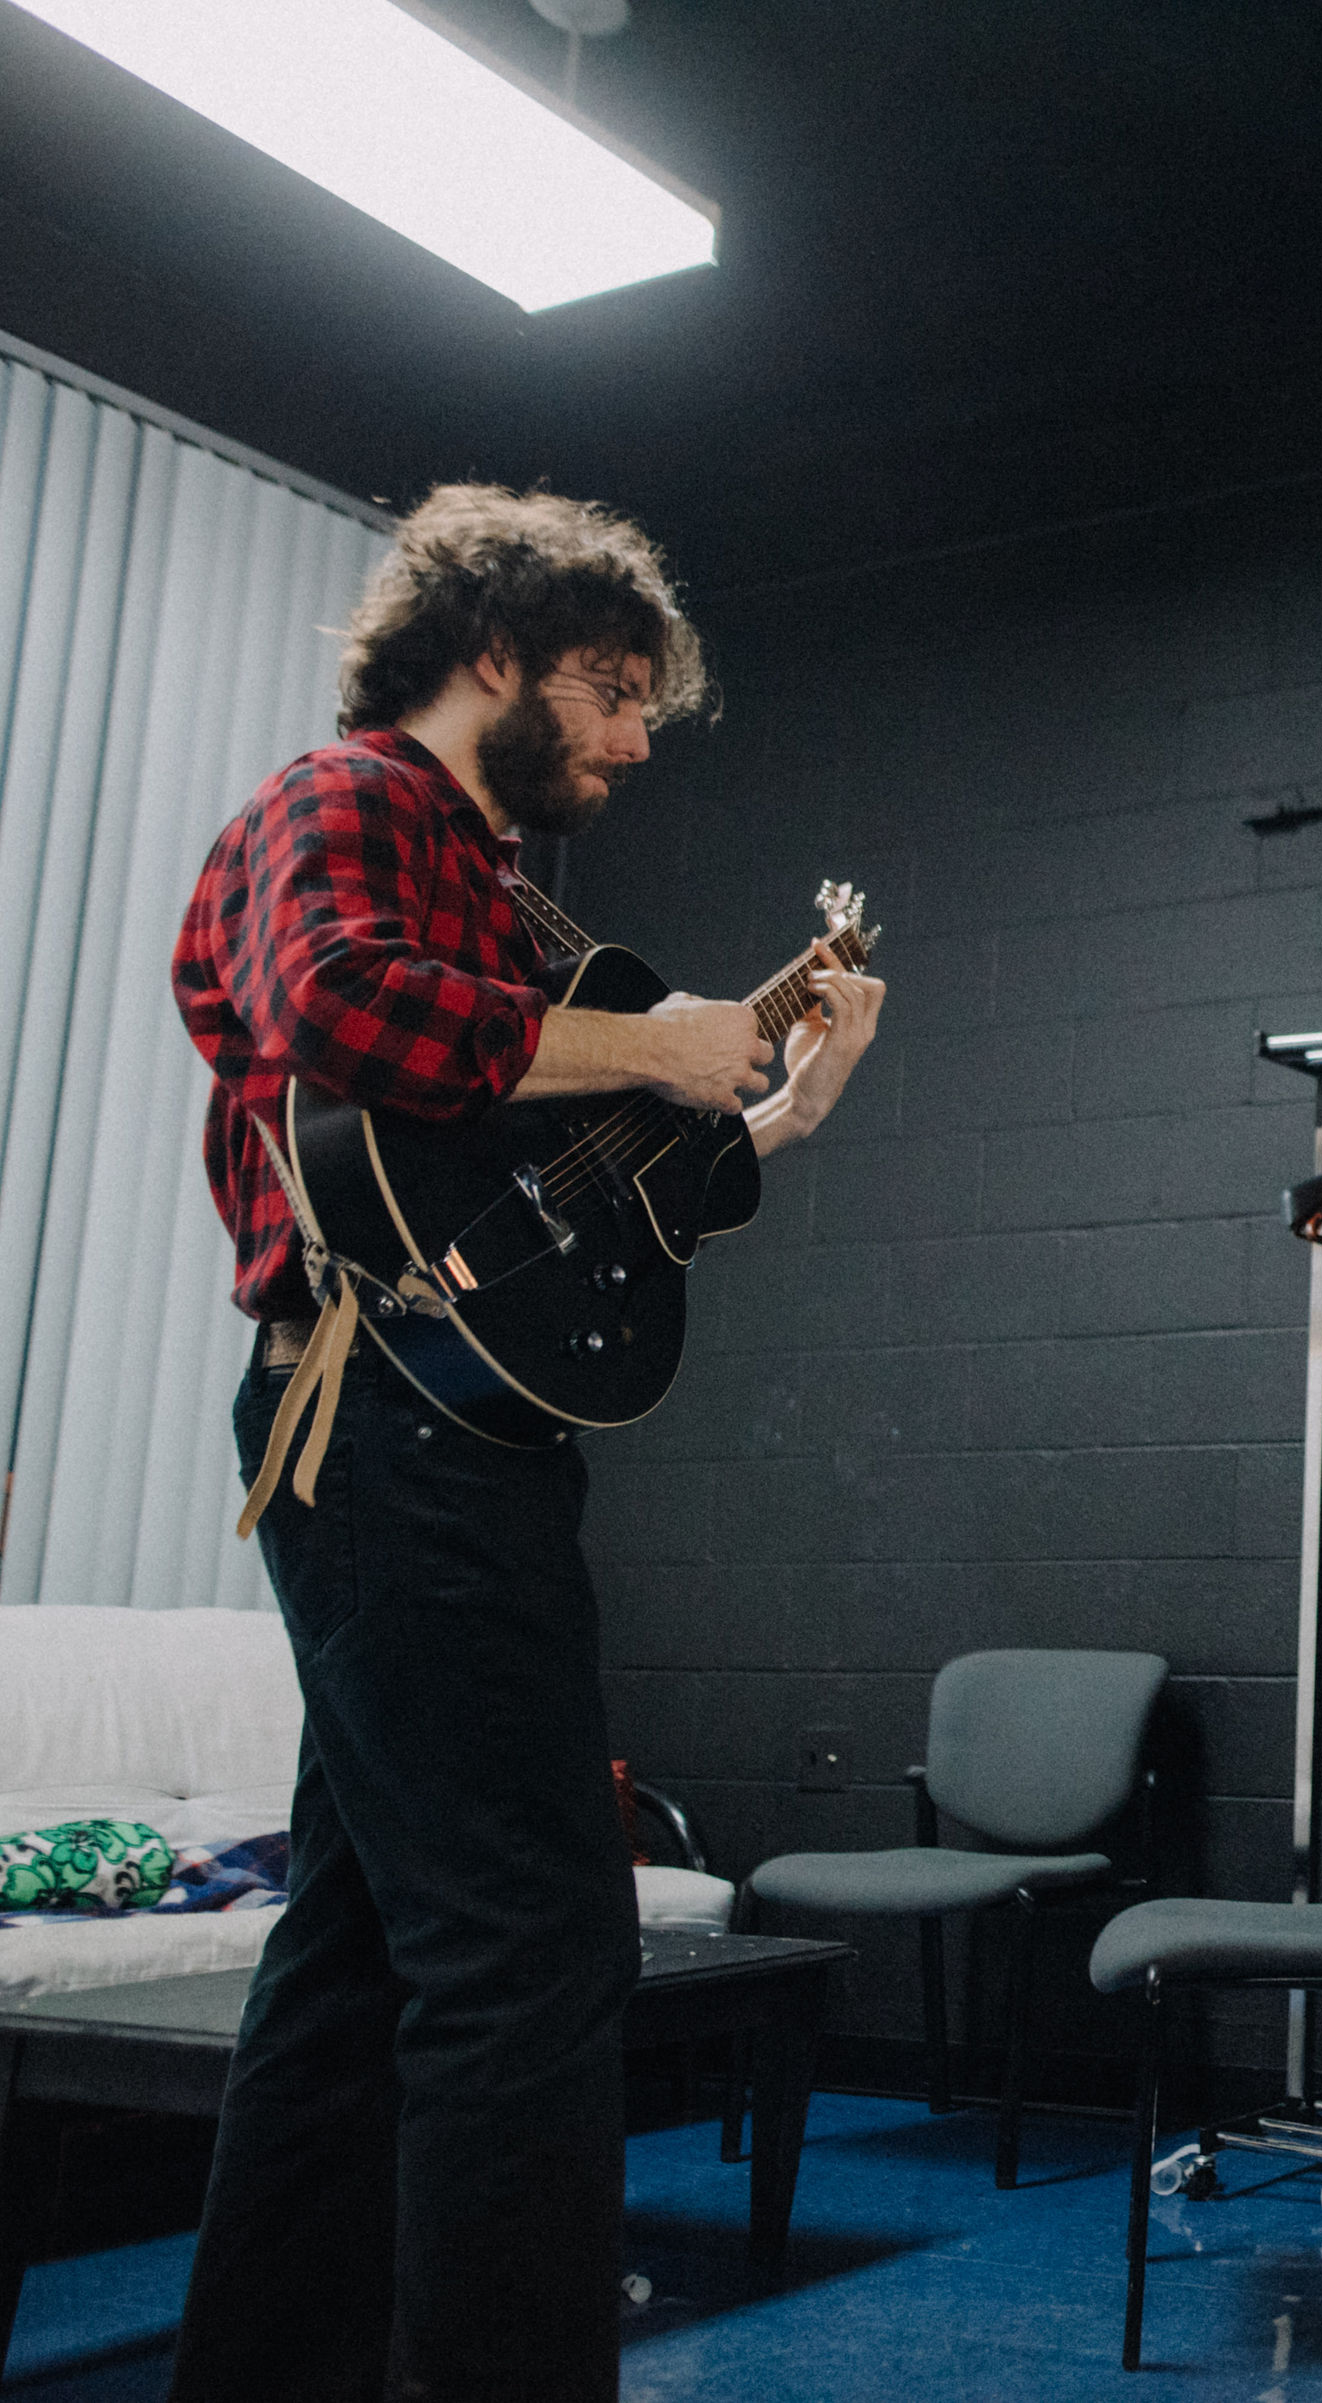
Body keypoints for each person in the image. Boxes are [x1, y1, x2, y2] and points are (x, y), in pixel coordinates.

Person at [165, 484, 884, 2403]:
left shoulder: (497, 890)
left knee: (362, 1958)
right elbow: (338, 1005)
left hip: (435, 1423)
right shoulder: (351, 800)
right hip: (390, 1424)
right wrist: (663, 1042)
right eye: (613, 687)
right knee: (540, 1947)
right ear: (493, 651)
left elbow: (595, 1190)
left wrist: (782, 1101)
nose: (638, 738)